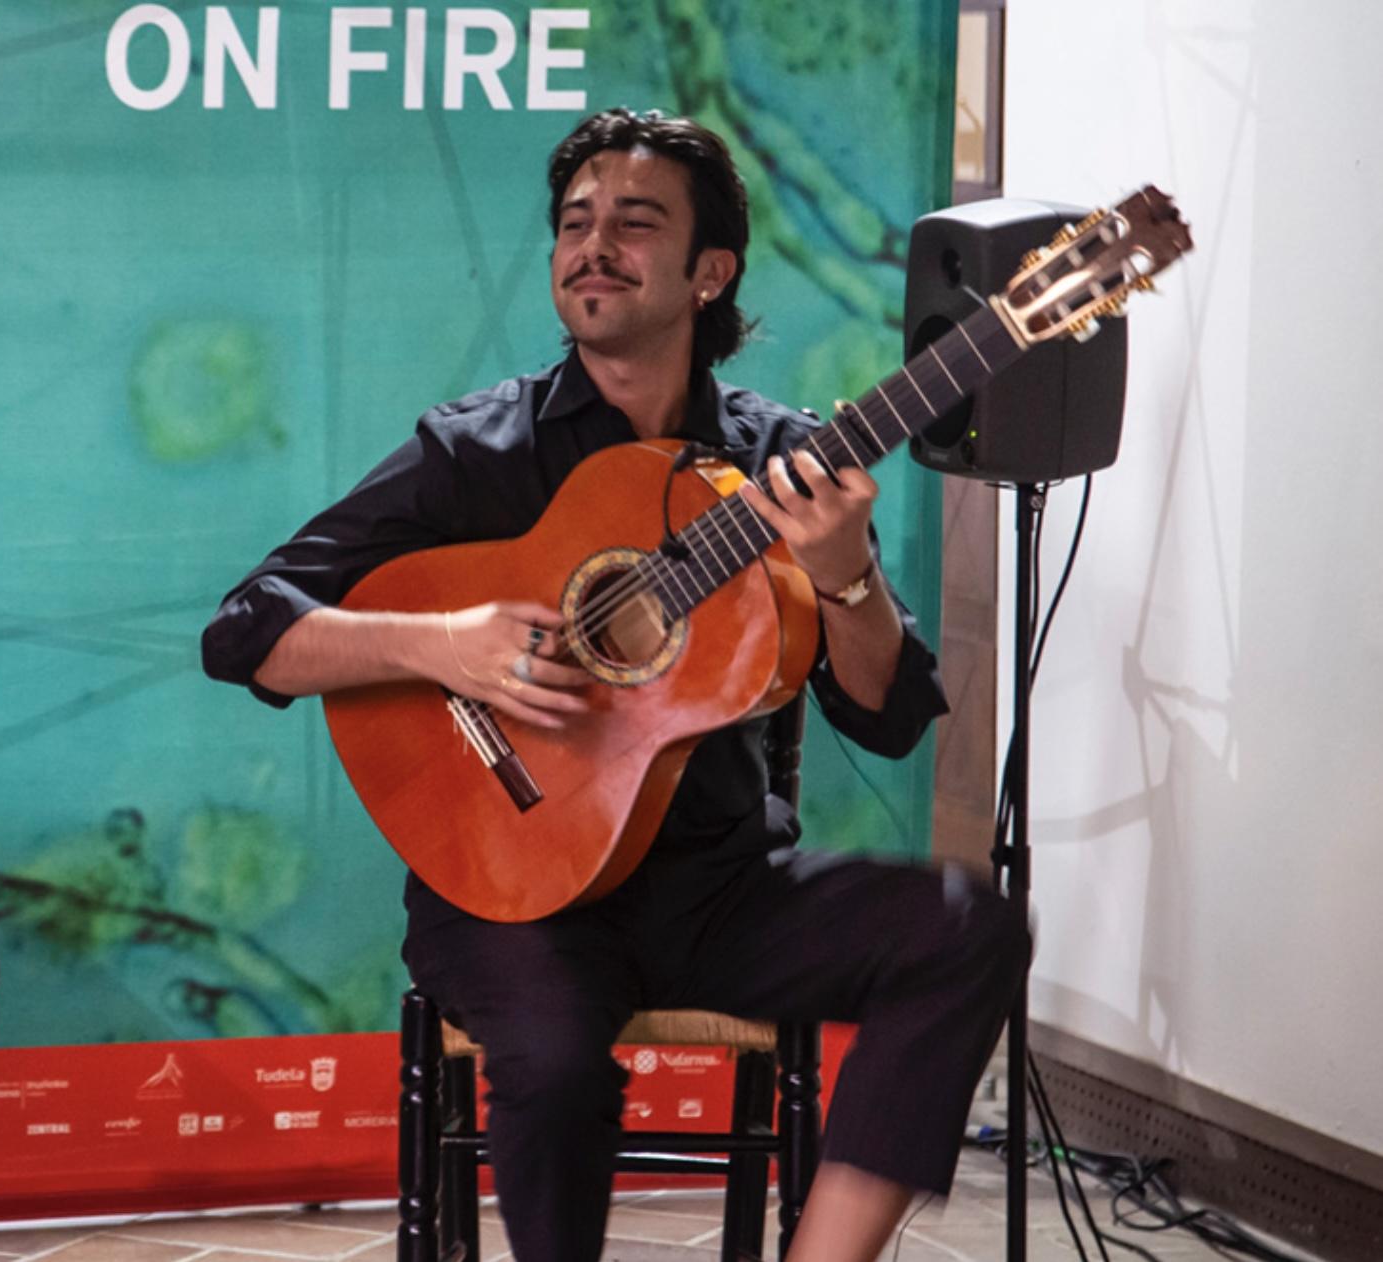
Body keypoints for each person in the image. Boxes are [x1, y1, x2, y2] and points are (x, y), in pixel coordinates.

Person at [201, 108, 1028, 1262]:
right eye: (574, 223)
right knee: (545, 1051)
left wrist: (841, 578)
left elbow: (882, 716)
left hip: (714, 888)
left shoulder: (778, 465)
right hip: (508, 892)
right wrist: (444, 644)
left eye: (633, 224)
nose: (592, 245)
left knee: (966, 925)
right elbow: (247, 630)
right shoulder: (476, 452)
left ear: (709, 272)